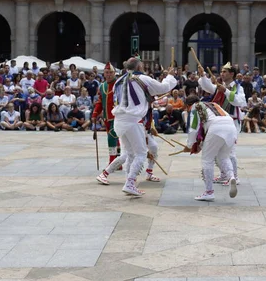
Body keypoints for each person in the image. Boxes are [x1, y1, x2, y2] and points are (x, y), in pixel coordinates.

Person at [103, 57, 177, 197]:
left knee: (130, 153)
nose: (143, 67)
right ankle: (130, 183)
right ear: (138, 67)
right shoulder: (143, 78)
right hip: (133, 119)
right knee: (141, 153)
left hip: (119, 120)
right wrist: (170, 76)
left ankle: (128, 182)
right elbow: (163, 88)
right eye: (142, 65)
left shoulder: (119, 80)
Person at [198, 61, 246, 184]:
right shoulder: (220, 86)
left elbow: (239, 102)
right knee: (219, 151)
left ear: (232, 74)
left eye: (224, 72)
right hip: (218, 123)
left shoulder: (238, 88)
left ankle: (234, 176)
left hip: (232, 123)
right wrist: (203, 75)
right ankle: (224, 174)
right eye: (221, 72)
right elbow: (208, 87)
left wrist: (226, 91)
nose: (222, 74)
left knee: (230, 150)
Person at [183, 95, 238, 202]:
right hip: (231, 127)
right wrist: (199, 145)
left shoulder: (195, 108)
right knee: (224, 157)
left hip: (216, 128)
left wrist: (189, 146)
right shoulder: (213, 104)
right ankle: (231, 177)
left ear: (188, 105)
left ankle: (209, 192)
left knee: (207, 159)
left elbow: (193, 129)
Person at [92, 62, 120, 166]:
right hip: (107, 118)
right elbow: (100, 101)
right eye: (106, 72)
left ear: (114, 73)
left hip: (117, 117)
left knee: (111, 138)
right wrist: (95, 114)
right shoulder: (102, 86)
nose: (108, 74)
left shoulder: (119, 85)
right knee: (116, 140)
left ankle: (112, 162)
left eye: (110, 72)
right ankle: (119, 163)